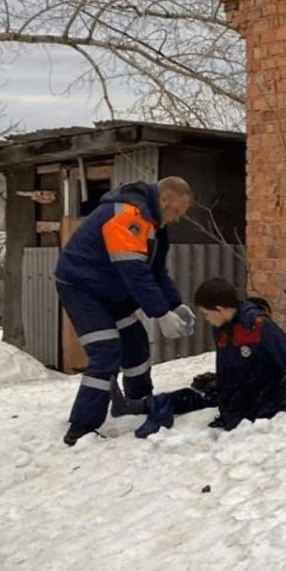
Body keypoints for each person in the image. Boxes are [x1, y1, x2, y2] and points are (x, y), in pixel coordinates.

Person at [54, 177, 197, 446]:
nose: (178, 218)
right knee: (106, 351)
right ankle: (80, 429)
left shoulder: (154, 222)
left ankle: (137, 402)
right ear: (164, 199)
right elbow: (133, 271)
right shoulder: (127, 216)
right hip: (82, 288)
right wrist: (160, 313)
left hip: (109, 289)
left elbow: (155, 271)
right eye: (178, 211)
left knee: (135, 342)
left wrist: (174, 304)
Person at [135, 280, 286, 438]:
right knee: (196, 394)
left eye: (206, 314)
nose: (207, 319)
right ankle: (140, 406)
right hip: (237, 392)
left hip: (265, 401)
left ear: (219, 309)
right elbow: (227, 364)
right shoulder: (221, 328)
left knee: (212, 400)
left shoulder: (257, 325)